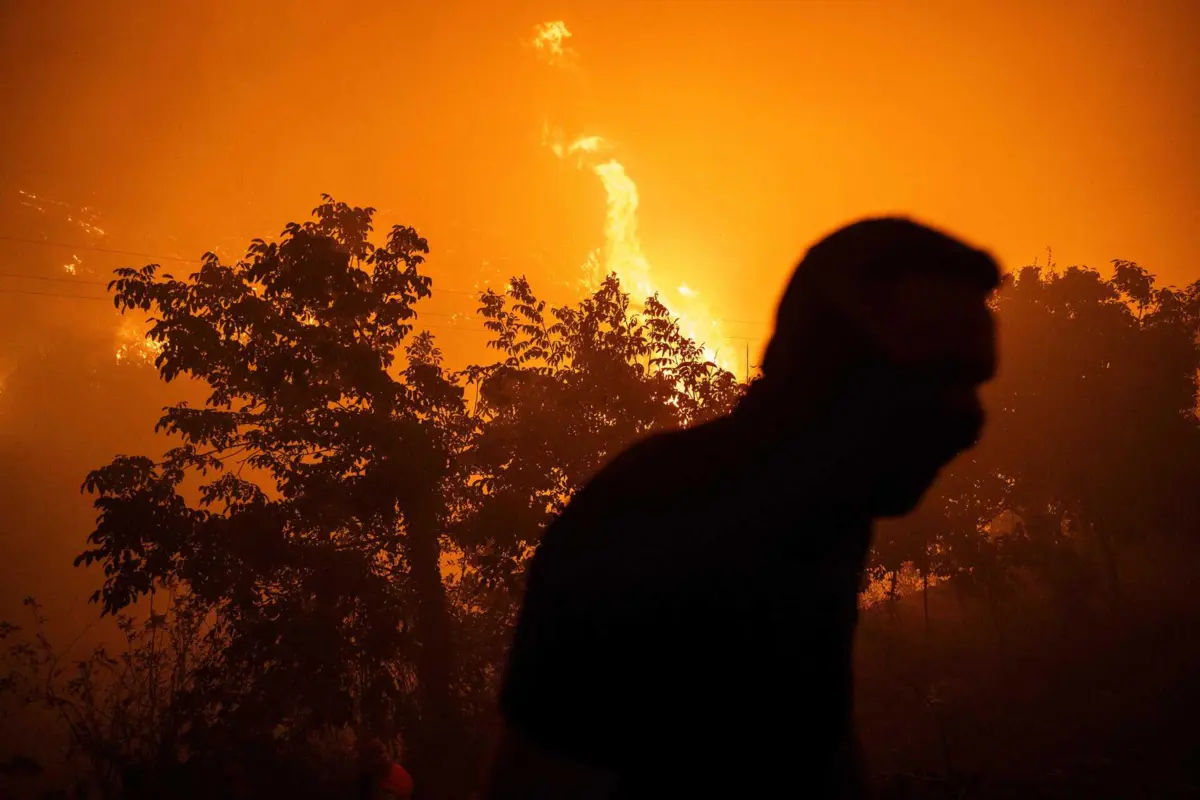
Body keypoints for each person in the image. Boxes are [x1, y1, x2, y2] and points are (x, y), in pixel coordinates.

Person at [480, 218, 1001, 799]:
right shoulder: (656, 516)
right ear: (838, 368)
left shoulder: (827, 513)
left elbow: (815, 743)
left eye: (976, 381)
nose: (969, 420)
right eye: (942, 377)